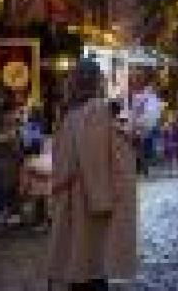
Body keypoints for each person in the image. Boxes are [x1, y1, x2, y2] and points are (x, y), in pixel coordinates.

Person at [48, 59, 136, 291]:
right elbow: (100, 158)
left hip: (72, 196)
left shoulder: (68, 113)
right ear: (97, 81)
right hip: (89, 200)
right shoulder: (97, 111)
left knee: (77, 266)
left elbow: (61, 160)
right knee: (92, 265)